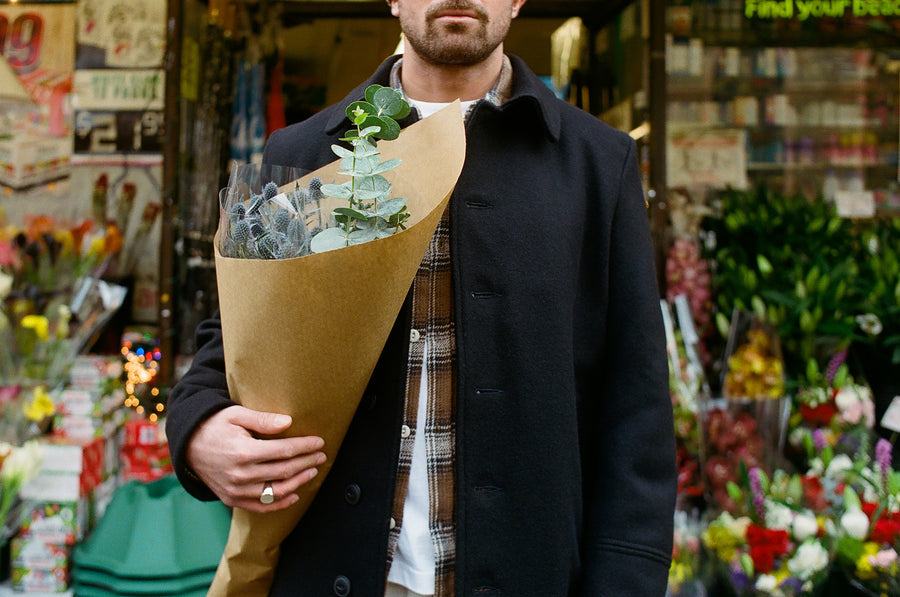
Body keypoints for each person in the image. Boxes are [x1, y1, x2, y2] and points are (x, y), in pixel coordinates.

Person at [166, 0, 678, 595]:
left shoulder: (596, 164)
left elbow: (636, 409)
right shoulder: (306, 152)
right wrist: (199, 432)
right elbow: (228, 348)